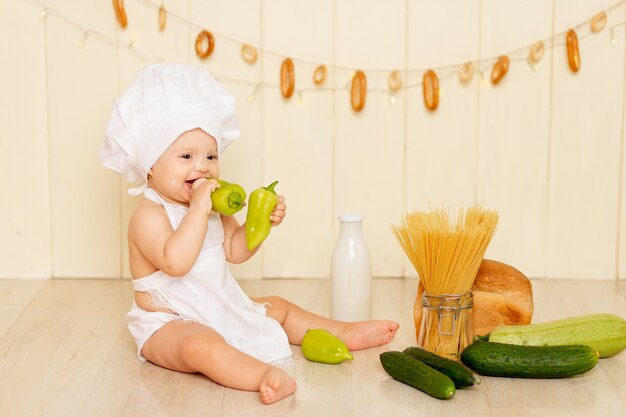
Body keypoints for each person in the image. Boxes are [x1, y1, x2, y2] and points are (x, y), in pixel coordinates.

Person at [100, 63, 399, 405]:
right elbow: (176, 262)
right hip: (168, 323)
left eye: (211, 156)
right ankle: (262, 375)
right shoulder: (148, 215)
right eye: (186, 156)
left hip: (219, 305)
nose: (202, 166)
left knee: (280, 308)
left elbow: (235, 249)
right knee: (200, 346)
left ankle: (343, 331)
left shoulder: (210, 205)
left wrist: (260, 224)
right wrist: (199, 210)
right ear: (150, 164)